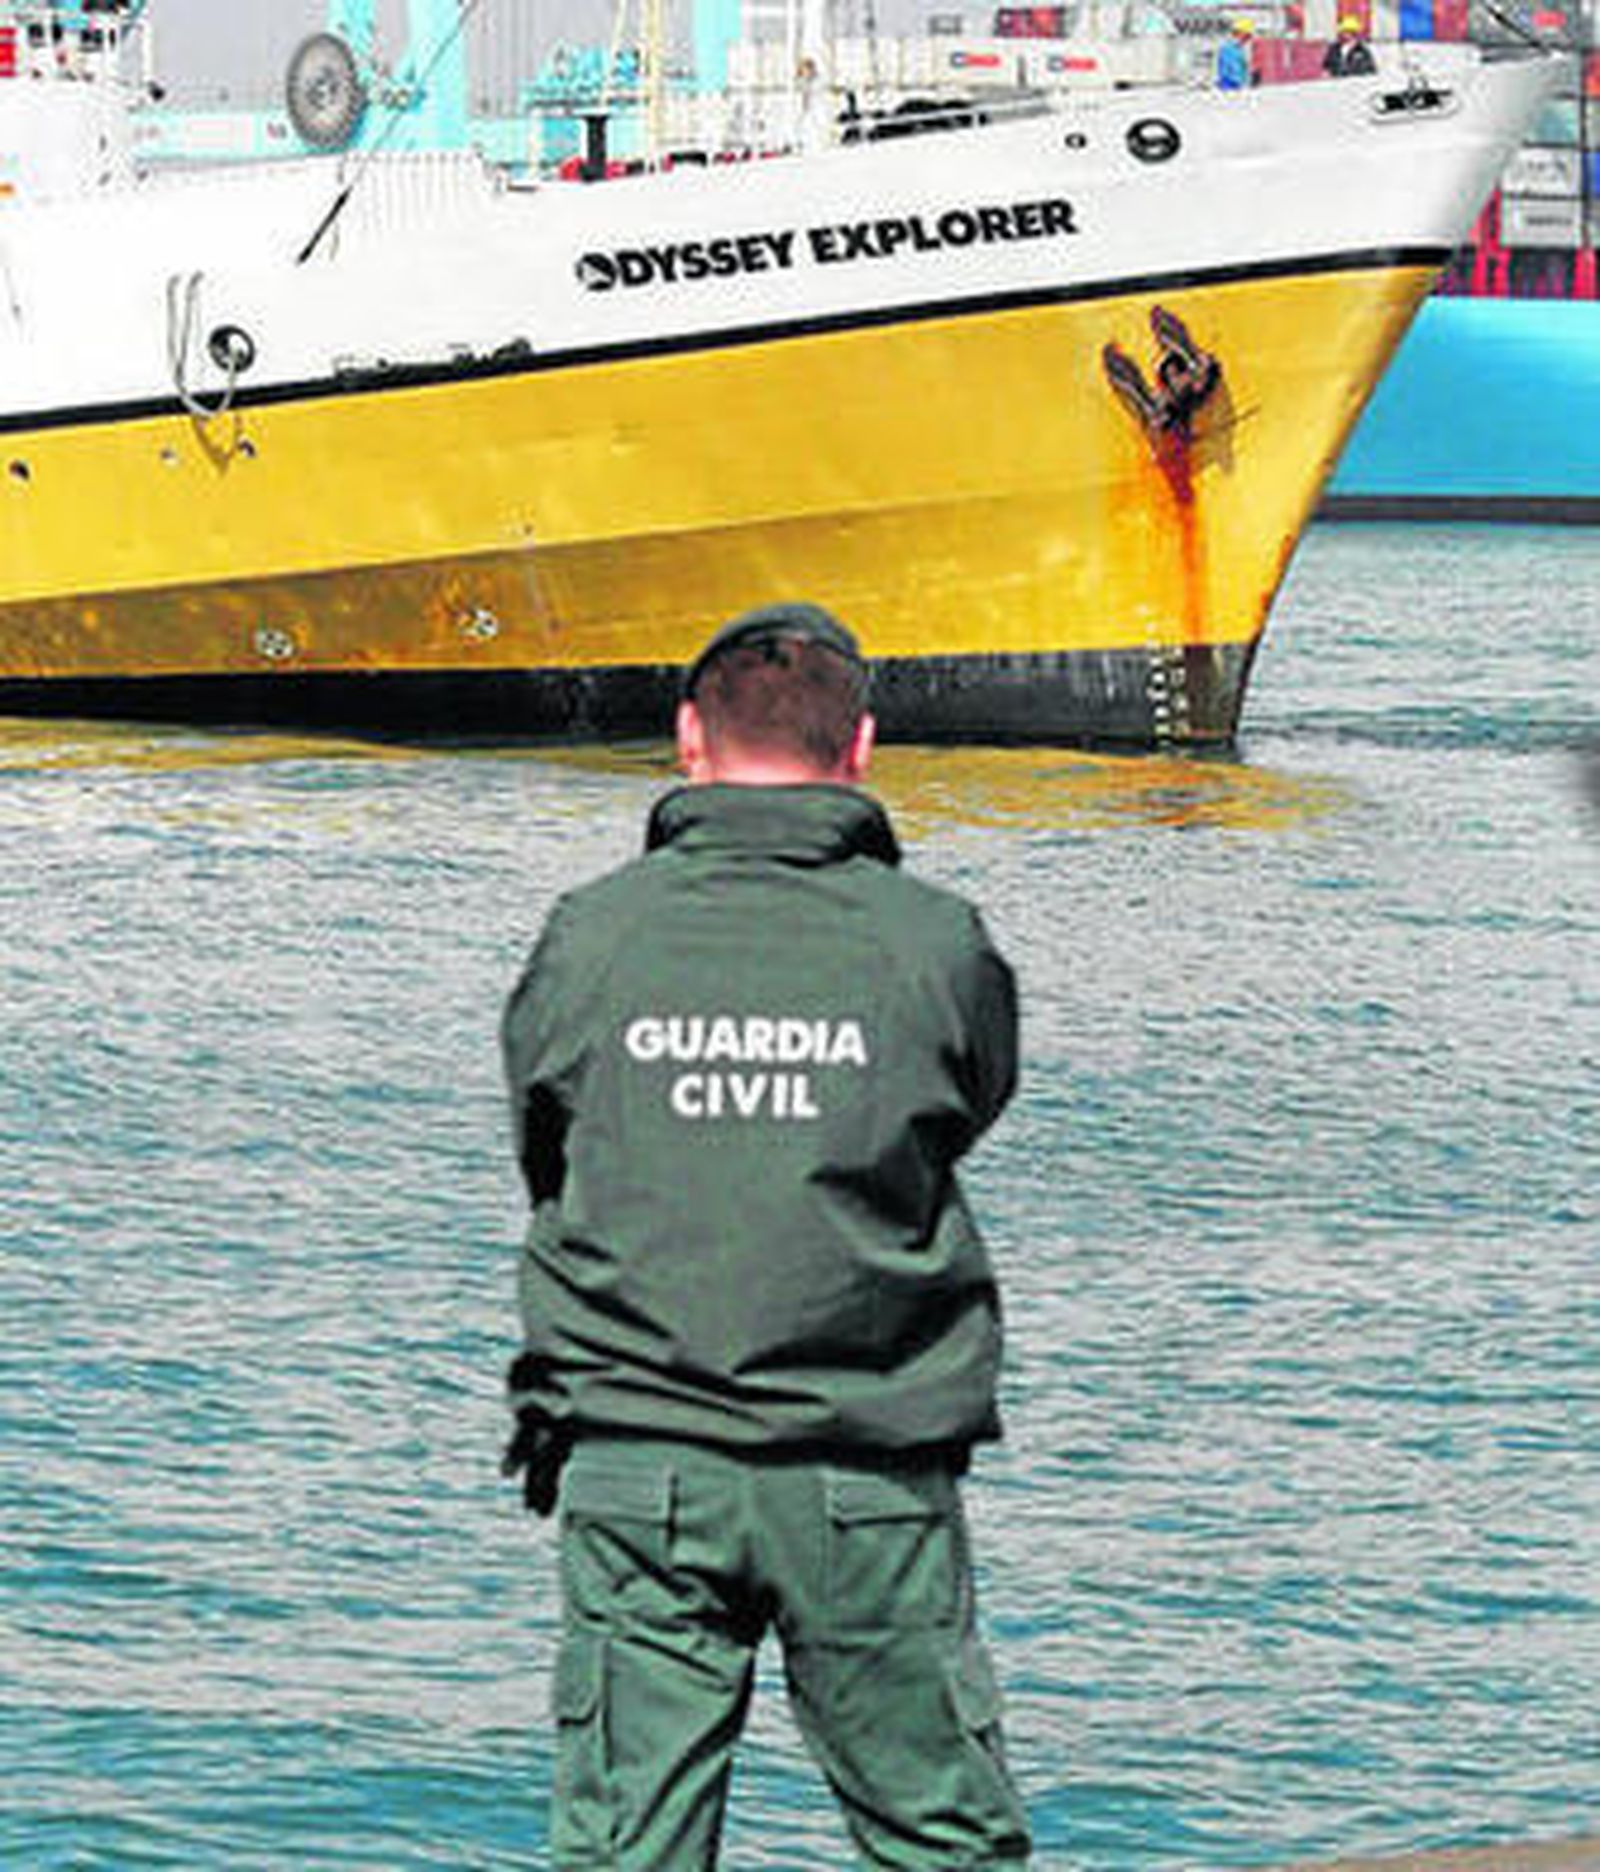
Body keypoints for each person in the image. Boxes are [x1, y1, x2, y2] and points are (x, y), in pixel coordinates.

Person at [500, 602, 1031, 1869]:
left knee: (624, 1846)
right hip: (864, 1461)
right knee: (940, 1838)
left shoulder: (593, 933)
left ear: (688, 738)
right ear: (860, 749)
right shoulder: (933, 941)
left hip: (642, 1460)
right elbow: (964, 1107)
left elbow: (547, 1147)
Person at [1216, 16, 1256, 90]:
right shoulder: (1228, 48)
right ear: (1241, 34)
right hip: (1230, 85)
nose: (1249, 39)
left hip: (1238, 85)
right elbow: (1226, 71)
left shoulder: (1240, 48)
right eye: (1248, 36)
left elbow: (1243, 68)